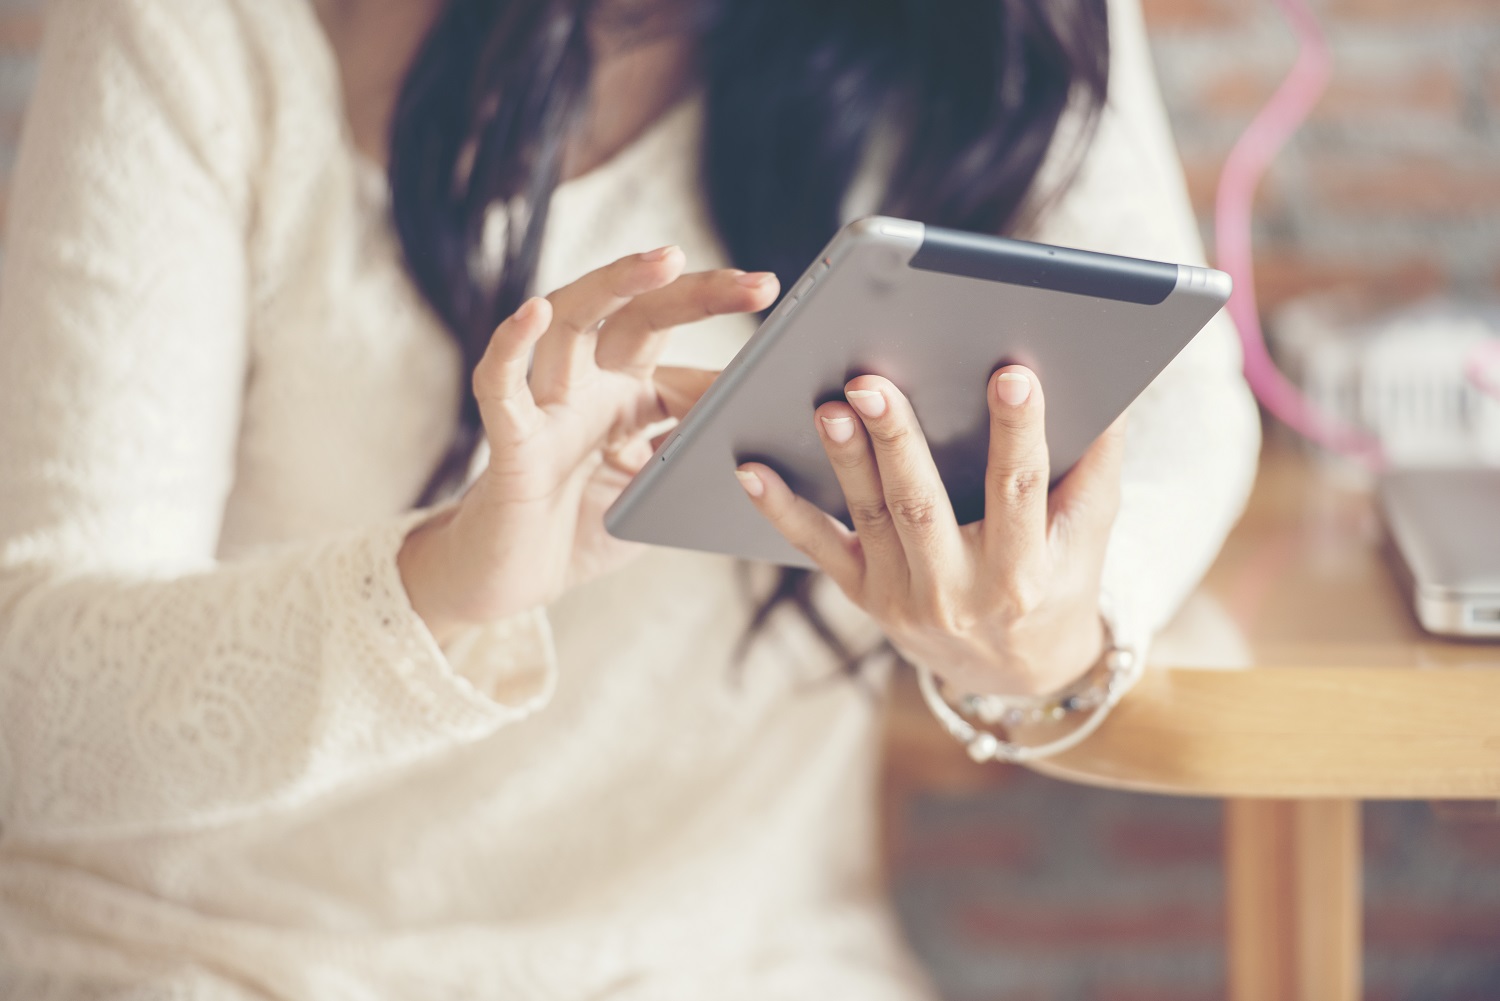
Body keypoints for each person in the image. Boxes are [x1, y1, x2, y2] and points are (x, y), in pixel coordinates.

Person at [0, 0, 1259, 996]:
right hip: (199, 955)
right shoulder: (194, 34)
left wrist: (1041, 643)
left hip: (734, 958)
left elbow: (1184, 415)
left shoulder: (999, 35)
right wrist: (439, 584)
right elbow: (30, 699)